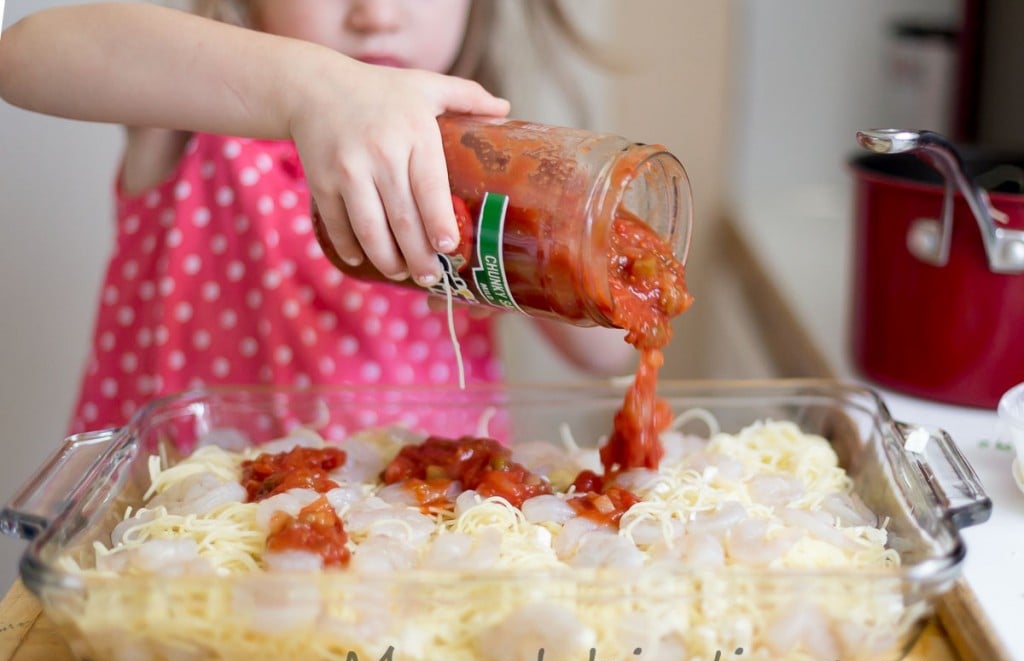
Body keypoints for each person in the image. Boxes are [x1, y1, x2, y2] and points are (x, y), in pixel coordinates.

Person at [0, 1, 634, 433]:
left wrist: (556, 231)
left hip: (426, 540)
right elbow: (23, 55)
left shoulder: (475, 162)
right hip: (181, 543)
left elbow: (605, 354)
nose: (375, 13)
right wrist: (309, 87)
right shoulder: (194, 120)